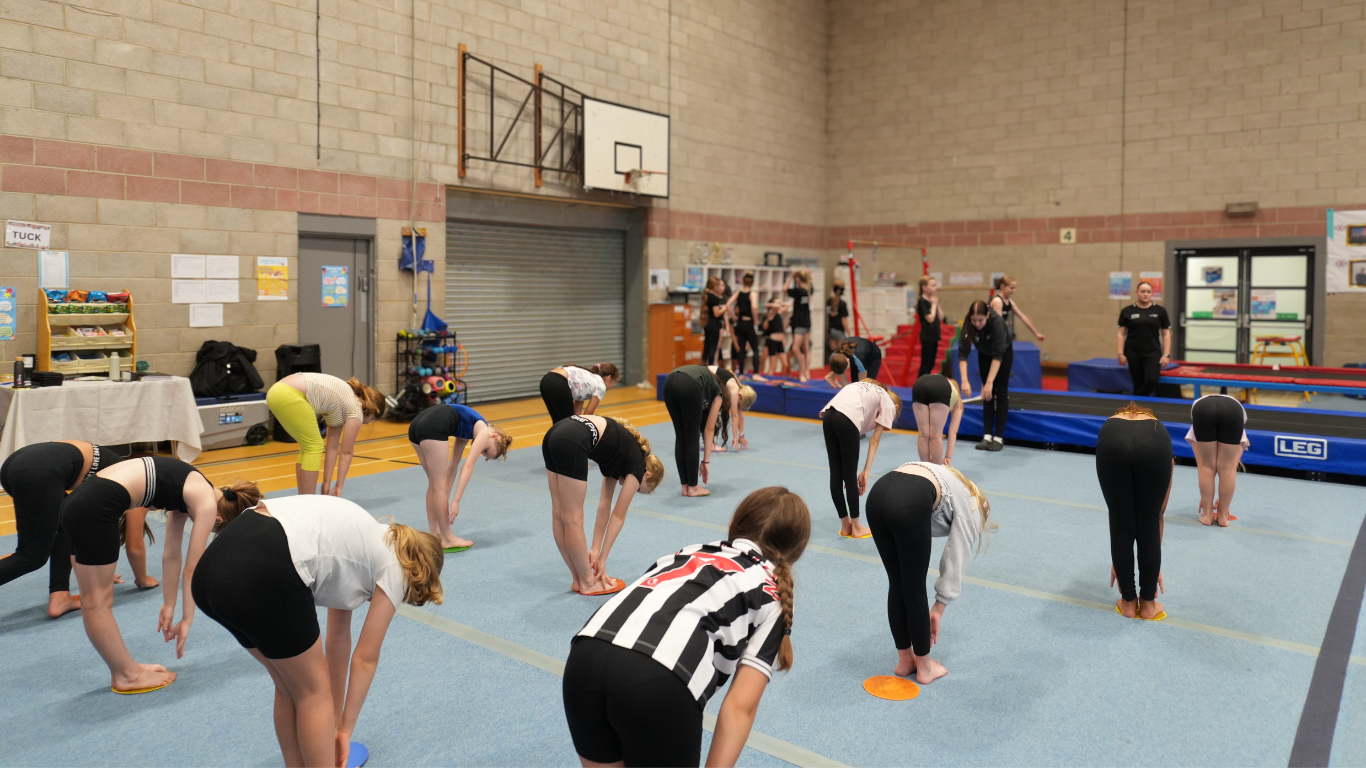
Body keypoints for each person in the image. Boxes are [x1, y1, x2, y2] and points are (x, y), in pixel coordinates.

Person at [564, 486, 810, 768]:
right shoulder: (772, 591)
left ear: (733, 527)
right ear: (795, 553)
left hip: (585, 654)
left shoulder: (690, 551)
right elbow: (740, 707)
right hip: (659, 679)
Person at [192, 495, 443, 768]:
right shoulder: (398, 567)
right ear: (417, 573)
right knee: (312, 692)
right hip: (265, 564)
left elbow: (338, 639)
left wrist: (332, 723)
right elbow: (365, 658)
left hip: (211, 574)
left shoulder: (365, 539)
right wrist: (345, 730)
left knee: (291, 686)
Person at [60, 456, 260, 693]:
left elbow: (171, 556)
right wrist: (187, 619)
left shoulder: (192, 488)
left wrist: (169, 603)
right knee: (97, 601)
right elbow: (192, 569)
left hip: (79, 502)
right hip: (96, 505)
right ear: (218, 520)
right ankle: (127, 675)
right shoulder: (205, 503)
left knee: (93, 599)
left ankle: (125, 668)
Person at [865, 461, 993, 685]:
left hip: (878, 493)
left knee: (898, 582)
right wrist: (939, 606)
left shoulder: (954, 481)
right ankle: (924, 667)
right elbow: (956, 557)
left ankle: (905, 661)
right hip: (907, 499)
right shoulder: (972, 508)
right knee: (913, 587)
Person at [0, 442, 130, 618]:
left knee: (64, 524)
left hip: (17, 464)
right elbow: (134, 544)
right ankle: (60, 596)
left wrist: (101, 569)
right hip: (39, 470)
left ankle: (60, 596)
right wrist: (142, 579)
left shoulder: (118, 469)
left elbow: (84, 527)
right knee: (31, 556)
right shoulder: (130, 482)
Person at [543, 415, 664, 596]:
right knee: (573, 518)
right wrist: (603, 559)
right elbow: (618, 516)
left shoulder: (621, 454)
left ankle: (578, 579)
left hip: (555, 433)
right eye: (639, 489)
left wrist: (596, 550)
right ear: (647, 475)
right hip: (573, 438)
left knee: (559, 515)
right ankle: (588, 583)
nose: (628, 486)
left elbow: (604, 505)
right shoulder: (637, 467)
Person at [1095, 402, 1173, 621]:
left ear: (1123, 413)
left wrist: (1120, 561)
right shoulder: (1158, 427)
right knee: (1150, 520)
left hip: (1112, 443)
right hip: (1155, 447)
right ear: (1146, 414)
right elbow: (1160, 512)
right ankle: (1148, 604)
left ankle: (1128, 603)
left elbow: (1121, 523)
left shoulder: (1111, 424)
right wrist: (1153, 564)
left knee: (1120, 520)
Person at [407, 403, 514, 552]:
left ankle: (435, 534)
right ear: (494, 436)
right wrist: (456, 501)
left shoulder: (466, 429)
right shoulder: (483, 431)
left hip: (416, 426)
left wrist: (446, 494)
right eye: (485, 449)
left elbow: (454, 467)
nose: (481, 450)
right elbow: (467, 467)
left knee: (435, 485)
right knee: (438, 486)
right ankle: (447, 538)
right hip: (433, 426)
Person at [267, 372, 386, 495]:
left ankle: (303, 498)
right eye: (372, 419)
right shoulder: (356, 410)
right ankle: (308, 501)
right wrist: (339, 486)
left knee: (308, 447)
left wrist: (326, 483)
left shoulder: (343, 403)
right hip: (288, 394)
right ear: (373, 409)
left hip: (276, 392)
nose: (367, 423)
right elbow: (346, 453)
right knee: (314, 446)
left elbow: (332, 448)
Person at [819, 379, 902, 538]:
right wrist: (865, 471)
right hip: (846, 417)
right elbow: (874, 440)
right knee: (850, 477)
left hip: (829, 414)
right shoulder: (888, 403)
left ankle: (845, 525)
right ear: (895, 407)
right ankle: (856, 527)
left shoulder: (869, 391)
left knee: (836, 474)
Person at [662, 364, 725, 497]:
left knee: (681, 436)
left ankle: (685, 486)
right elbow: (709, 429)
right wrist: (705, 462)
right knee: (691, 437)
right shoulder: (718, 393)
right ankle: (693, 488)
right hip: (688, 384)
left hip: (669, 381)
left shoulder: (704, 378)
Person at [1187, 394, 1248, 527]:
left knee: (1206, 466)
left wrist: (1206, 498)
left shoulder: (1198, 412)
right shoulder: (1238, 418)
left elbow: (1202, 464)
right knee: (1227, 468)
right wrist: (1224, 500)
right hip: (1232, 409)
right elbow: (1232, 466)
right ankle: (1223, 517)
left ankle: (1207, 515)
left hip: (1203, 409)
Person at [958, 300, 1011, 452]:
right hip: (984, 354)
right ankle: (987, 435)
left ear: (987, 315)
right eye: (974, 320)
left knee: (999, 392)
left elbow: (998, 355)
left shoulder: (997, 322)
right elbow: (963, 353)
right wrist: (965, 380)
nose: (977, 323)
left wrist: (989, 382)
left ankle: (998, 437)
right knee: (986, 395)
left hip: (1003, 354)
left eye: (980, 320)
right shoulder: (969, 323)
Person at [1116, 280, 1172, 397]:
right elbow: (1121, 334)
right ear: (1137, 292)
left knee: (1151, 380)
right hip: (1133, 352)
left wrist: (1166, 355)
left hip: (1153, 352)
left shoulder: (1160, 311)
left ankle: (1135, 401)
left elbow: (1166, 333)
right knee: (1138, 383)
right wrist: (1121, 354)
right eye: (1143, 291)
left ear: (1152, 294)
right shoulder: (1127, 311)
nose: (1145, 294)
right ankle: (1138, 410)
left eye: (1148, 292)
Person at [539, 363, 621, 424]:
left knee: (559, 422)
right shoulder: (601, 385)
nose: (612, 386)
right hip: (558, 381)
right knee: (567, 425)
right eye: (614, 382)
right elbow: (588, 414)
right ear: (609, 378)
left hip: (546, 380)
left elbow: (576, 414)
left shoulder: (588, 379)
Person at [910, 374, 964, 465]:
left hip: (920, 383)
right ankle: (937, 470)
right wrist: (948, 457)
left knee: (923, 435)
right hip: (940, 387)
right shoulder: (957, 401)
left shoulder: (943, 383)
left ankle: (925, 468)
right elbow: (952, 432)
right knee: (936, 435)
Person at [707, 364, 757, 452]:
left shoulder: (739, 390)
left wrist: (741, 435)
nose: (740, 407)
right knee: (711, 412)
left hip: (710, 374)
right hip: (705, 373)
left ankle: (709, 442)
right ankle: (709, 443)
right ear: (740, 396)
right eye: (742, 405)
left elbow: (740, 416)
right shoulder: (734, 390)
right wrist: (734, 437)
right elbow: (734, 416)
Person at [989, 275, 1046, 346]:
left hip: (1002, 338)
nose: (1014, 291)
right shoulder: (997, 301)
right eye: (1012, 288)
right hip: (994, 339)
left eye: (1014, 288)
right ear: (1002, 287)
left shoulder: (1010, 302)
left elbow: (1023, 317)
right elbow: (999, 322)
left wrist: (1036, 333)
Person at [726, 272, 762, 374]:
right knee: (755, 349)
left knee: (741, 349)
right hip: (748, 323)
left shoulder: (738, 293)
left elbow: (728, 305)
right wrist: (755, 320)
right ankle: (755, 373)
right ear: (752, 283)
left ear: (742, 282)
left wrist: (734, 317)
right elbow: (754, 308)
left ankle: (741, 374)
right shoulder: (752, 294)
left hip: (740, 323)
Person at [785, 269, 814, 382]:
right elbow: (810, 281)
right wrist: (808, 275)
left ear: (798, 279)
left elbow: (784, 289)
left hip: (800, 324)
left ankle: (802, 372)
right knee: (806, 348)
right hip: (807, 323)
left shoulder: (798, 291)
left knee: (796, 348)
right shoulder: (809, 289)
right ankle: (806, 372)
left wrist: (791, 277)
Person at [916, 276, 945, 378]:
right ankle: (920, 385)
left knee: (931, 363)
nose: (935, 288)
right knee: (925, 363)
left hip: (934, 336)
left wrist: (936, 304)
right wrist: (933, 305)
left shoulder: (932, 301)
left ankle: (925, 384)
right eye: (933, 285)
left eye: (935, 285)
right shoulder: (922, 301)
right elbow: (930, 319)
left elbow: (941, 317)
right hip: (927, 336)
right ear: (924, 287)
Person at [702, 276, 727, 366]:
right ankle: (711, 367)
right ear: (715, 287)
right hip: (714, 325)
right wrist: (724, 308)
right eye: (718, 285)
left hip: (708, 324)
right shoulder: (714, 298)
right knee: (713, 347)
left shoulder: (707, 296)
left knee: (707, 347)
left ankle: (705, 365)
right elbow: (716, 313)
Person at [761, 301, 788, 376]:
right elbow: (767, 305)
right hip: (773, 341)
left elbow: (789, 305)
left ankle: (782, 379)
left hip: (780, 342)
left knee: (785, 364)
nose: (779, 303)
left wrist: (781, 303)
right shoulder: (771, 313)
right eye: (777, 302)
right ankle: (769, 383)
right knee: (773, 365)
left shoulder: (779, 313)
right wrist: (776, 304)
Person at [828, 279, 852, 363]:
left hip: (831, 330)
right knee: (842, 352)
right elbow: (844, 320)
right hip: (838, 330)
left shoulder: (829, 301)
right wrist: (849, 334)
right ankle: (839, 370)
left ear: (832, 289)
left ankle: (833, 369)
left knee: (834, 352)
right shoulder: (842, 303)